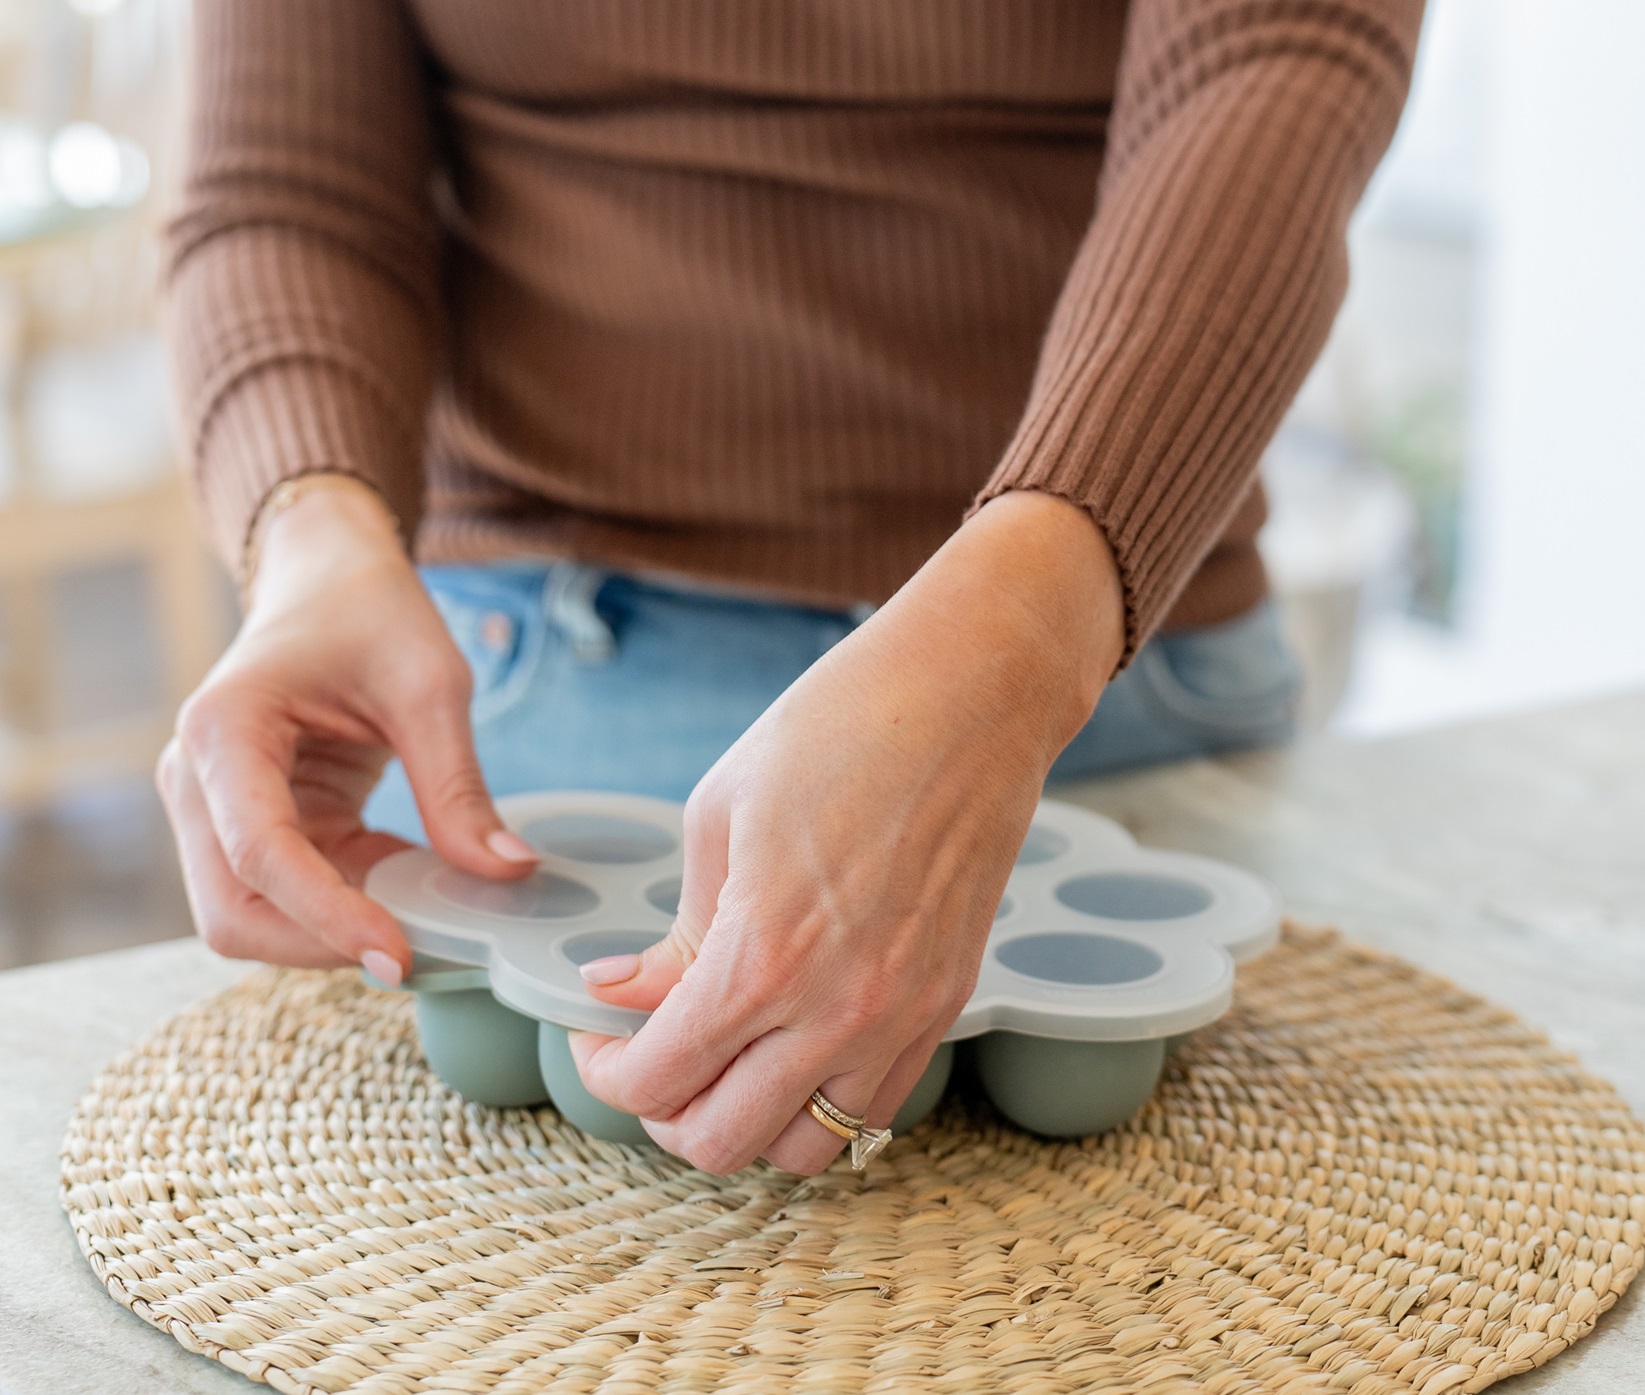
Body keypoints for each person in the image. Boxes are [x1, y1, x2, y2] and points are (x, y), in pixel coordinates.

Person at [158, 0, 1422, 1176]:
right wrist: (309, 534)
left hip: (1098, 670)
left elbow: (1275, 64)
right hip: (528, 702)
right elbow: (286, 184)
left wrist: (1012, 646)